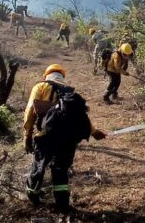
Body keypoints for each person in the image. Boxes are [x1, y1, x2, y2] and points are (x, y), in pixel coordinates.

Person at [23, 64, 107, 212]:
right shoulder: (69, 93)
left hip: (47, 135)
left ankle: (32, 197)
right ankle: (62, 204)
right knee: (60, 169)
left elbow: (30, 111)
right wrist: (94, 132)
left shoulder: (41, 86)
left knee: (39, 166)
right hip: (68, 138)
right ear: (62, 76)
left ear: (46, 75)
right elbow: (81, 116)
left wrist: (27, 135)